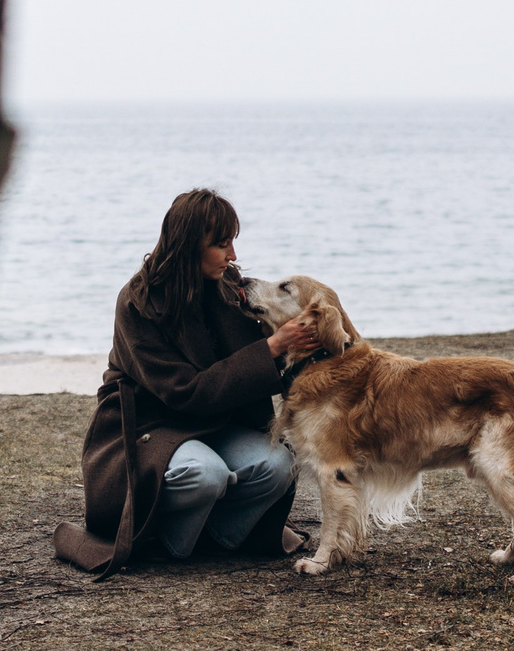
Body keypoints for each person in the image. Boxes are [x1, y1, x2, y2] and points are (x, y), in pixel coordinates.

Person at [51, 189, 320, 572]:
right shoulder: (137, 302)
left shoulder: (228, 285)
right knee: (206, 474)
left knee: (278, 465)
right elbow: (187, 393)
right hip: (153, 426)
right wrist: (273, 346)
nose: (233, 256)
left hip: (219, 425)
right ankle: (172, 547)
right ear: (189, 245)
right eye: (221, 244)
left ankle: (216, 539)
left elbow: (255, 361)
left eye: (233, 243)